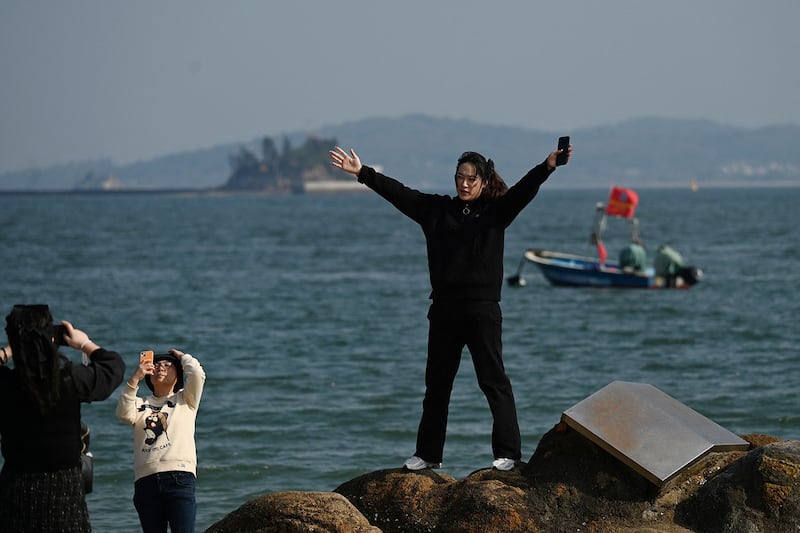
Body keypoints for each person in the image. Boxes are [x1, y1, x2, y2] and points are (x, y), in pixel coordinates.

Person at [329, 142, 572, 471]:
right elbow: (400, 193)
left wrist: (548, 165)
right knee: (437, 386)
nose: (465, 183)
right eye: (460, 177)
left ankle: (508, 455)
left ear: (483, 181)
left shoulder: (496, 212)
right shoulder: (436, 211)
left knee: (493, 381)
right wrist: (362, 173)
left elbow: (523, 191)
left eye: (471, 178)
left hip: (483, 312)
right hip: (444, 311)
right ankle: (428, 455)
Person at [0, 304, 125, 532]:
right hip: (64, 487)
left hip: (16, 486)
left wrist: (9, 351)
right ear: (51, 337)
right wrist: (84, 344)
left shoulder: (7, 384)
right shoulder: (70, 379)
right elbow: (113, 368)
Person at [116, 348, 206, 533]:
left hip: (179, 477)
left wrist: (182, 357)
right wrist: (134, 379)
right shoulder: (140, 403)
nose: (161, 368)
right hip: (145, 481)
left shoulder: (186, 398)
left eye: (167, 365)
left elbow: (197, 373)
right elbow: (123, 414)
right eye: (156, 365)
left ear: (178, 374)